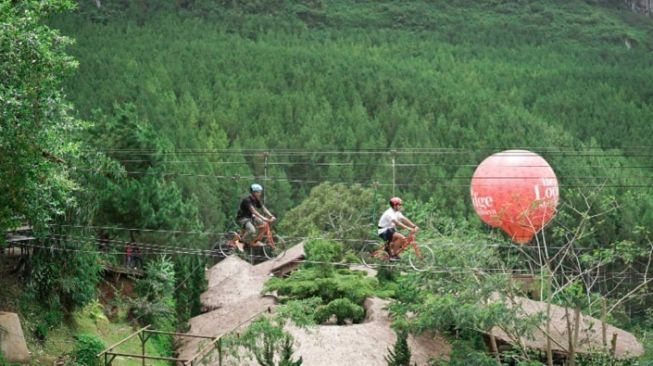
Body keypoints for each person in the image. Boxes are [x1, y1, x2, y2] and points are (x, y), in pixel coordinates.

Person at [233, 183, 276, 251]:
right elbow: (253, 211)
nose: (260, 193)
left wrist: (271, 215)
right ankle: (240, 242)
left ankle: (255, 241)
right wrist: (264, 218)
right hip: (242, 218)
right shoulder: (247, 200)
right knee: (252, 230)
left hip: (250, 217)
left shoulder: (256, 199)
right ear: (254, 192)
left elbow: (263, 208)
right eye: (259, 192)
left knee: (264, 225)